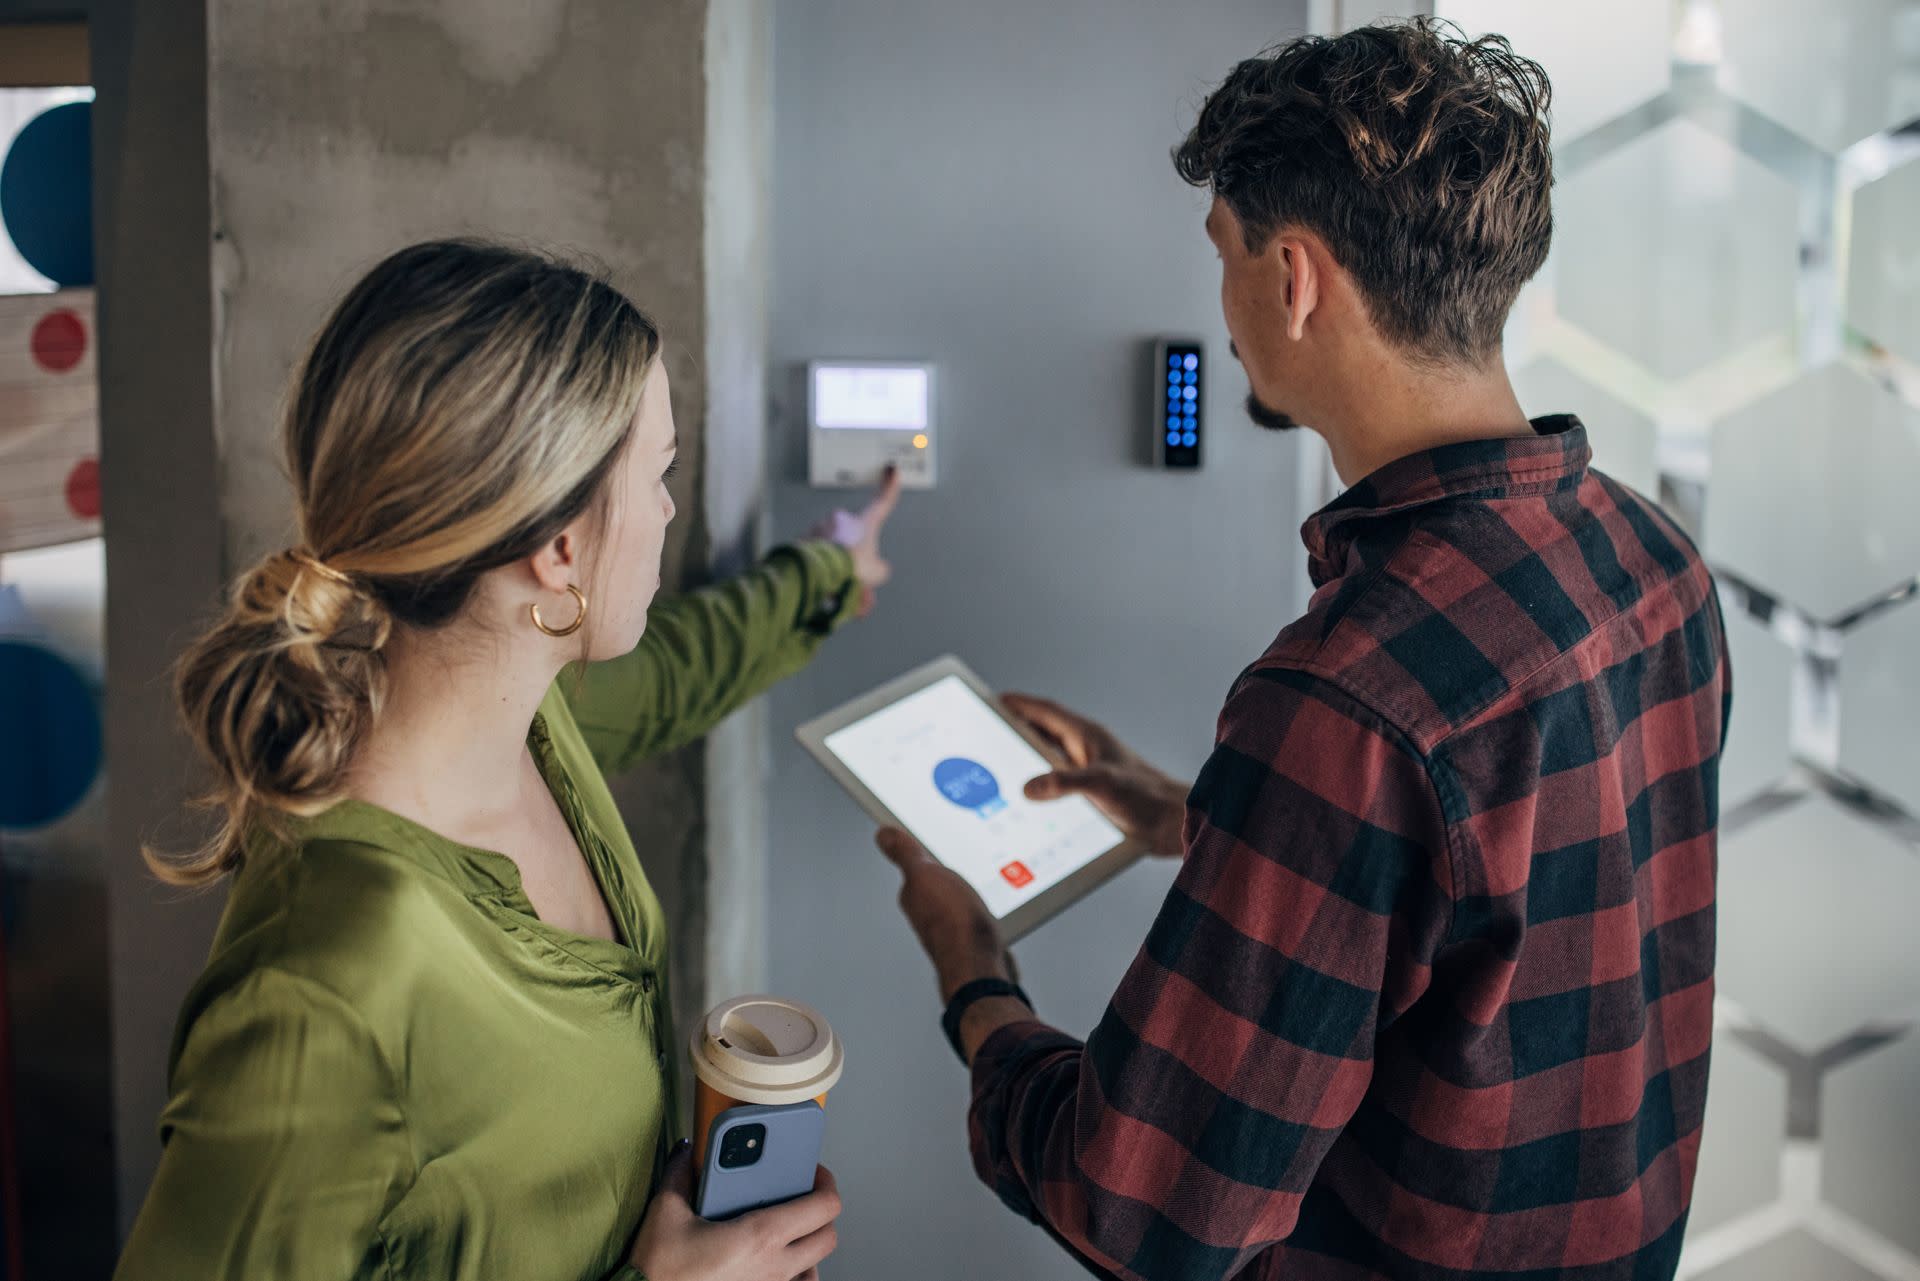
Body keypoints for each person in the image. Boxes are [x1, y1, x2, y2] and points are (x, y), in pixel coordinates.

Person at [876, 19, 1729, 1281]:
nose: (1220, 309)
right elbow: (1486, 893)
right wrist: (1187, 810)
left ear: (1294, 279)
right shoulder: (1654, 562)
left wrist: (972, 973)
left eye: (1221, 257)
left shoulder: (1347, 702)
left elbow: (1143, 1214)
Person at [114, 239, 900, 1281]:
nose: (669, 510)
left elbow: (672, 674)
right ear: (561, 551)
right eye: (660, 476)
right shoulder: (325, 987)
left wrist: (831, 570)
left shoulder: (529, 723)